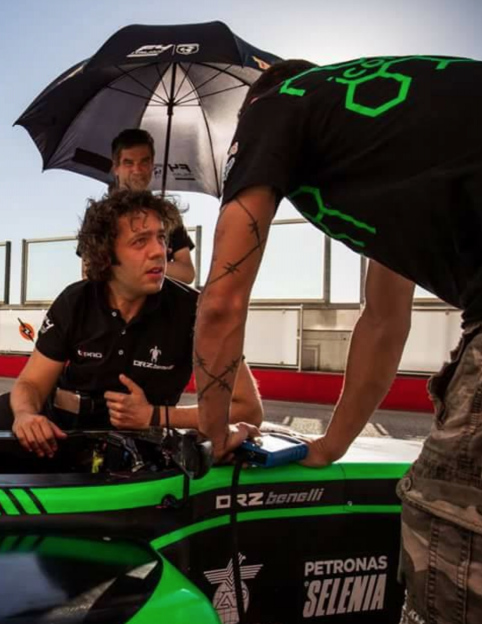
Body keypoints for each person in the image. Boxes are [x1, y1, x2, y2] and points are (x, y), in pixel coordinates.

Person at [192, 57, 482, 624]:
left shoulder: (274, 105)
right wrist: (331, 444)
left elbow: (222, 303)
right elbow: (384, 318)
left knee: (451, 540)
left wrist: (213, 434)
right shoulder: (389, 132)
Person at [10, 189, 262, 457]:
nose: (159, 251)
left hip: (148, 457)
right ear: (106, 254)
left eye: (161, 237)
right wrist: (25, 415)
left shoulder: (196, 311)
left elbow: (247, 408)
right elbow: (31, 384)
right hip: (62, 443)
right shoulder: (75, 301)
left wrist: (154, 416)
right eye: (140, 241)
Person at [110, 129, 197, 284]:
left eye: (144, 161)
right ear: (116, 167)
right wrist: (156, 265)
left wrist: (133, 265)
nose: (137, 170)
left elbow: (187, 273)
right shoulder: (101, 215)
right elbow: (90, 271)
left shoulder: (167, 213)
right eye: (128, 162)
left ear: (152, 165)